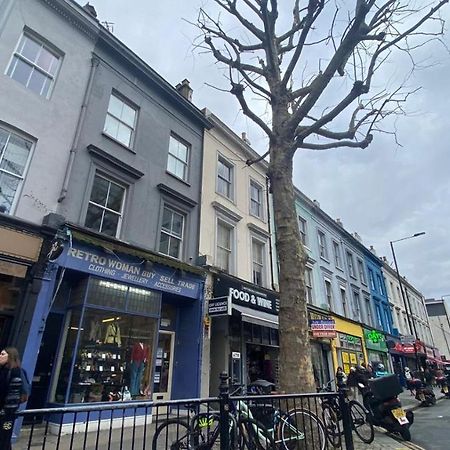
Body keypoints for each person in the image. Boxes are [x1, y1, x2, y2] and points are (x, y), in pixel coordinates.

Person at [0, 347, 23, 450]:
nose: (0, 356)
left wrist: (6, 411)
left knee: (4, 439)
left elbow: (13, 395)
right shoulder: (3, 370)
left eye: (2, 354)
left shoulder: (15, 372)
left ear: (10, 357)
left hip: (6, 414)